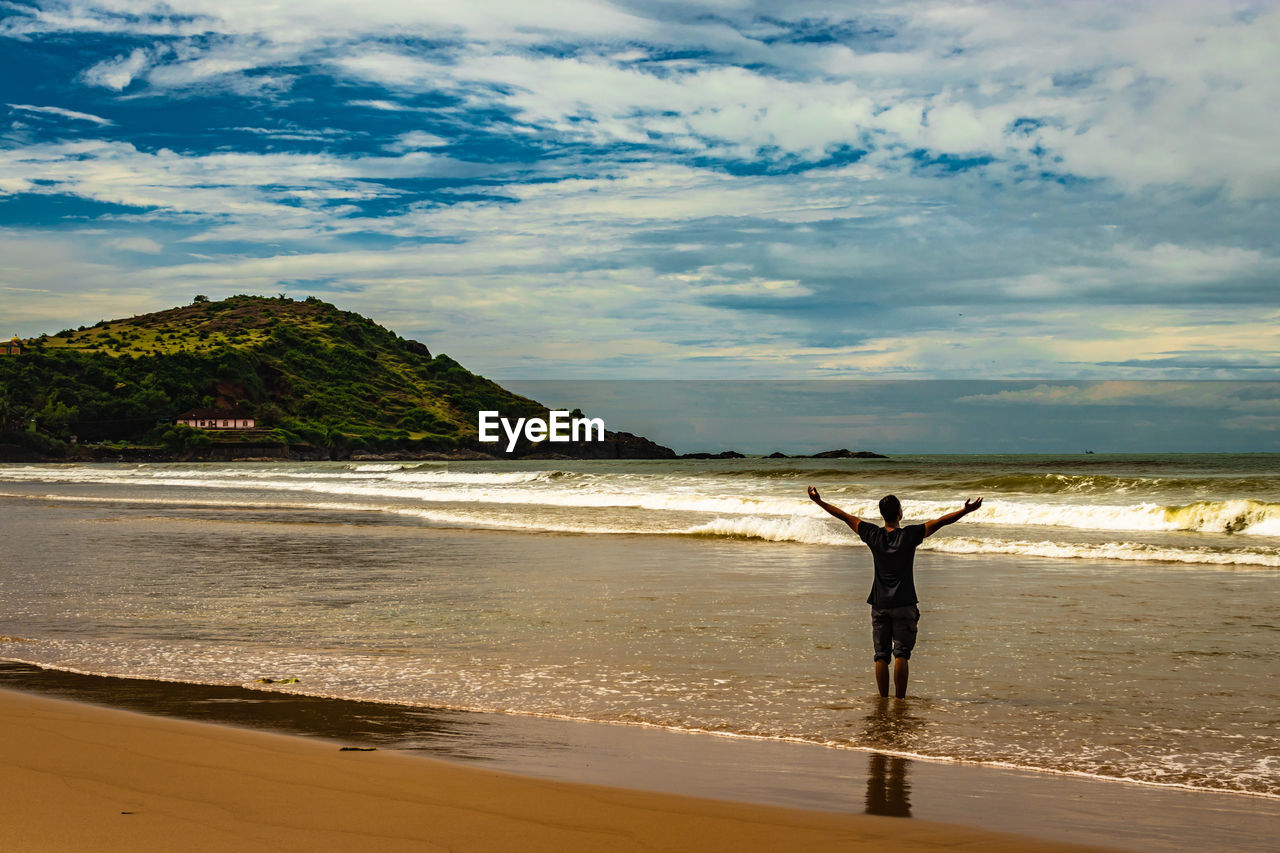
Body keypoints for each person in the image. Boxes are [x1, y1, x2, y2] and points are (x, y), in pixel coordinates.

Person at [807, 486, 983, 698]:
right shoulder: (910, 535)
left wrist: (819, 501)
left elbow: (845, 517)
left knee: (881, 656)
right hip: (905, 603)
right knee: (902, 654)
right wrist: (966, 510)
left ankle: (883, 701)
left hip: (880, 603)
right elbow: (942, 521)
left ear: (882, 515)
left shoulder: (872, 534)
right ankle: (900, 701)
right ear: (900, 513)